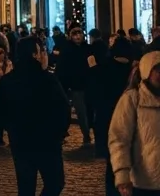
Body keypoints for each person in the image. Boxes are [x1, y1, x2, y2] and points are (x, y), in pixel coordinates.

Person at [0, 36, 70, 196]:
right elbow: (63, 108)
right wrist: (60, 132)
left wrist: (11, 128)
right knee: (55, 182)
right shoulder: (47, 80)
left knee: (26, 186)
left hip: (20, 140)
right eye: (42, 51)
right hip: (47, 140)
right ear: (34, 55)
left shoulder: (8, 81)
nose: (45, 55)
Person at [109, 49, 160, 196]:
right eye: (157, 70)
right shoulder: (132, 99)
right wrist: (122, 175)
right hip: (144, 181)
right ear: (146, 71)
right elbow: (119, 139)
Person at [96, 36, 139, 195]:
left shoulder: (104, 67)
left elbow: (97, 95)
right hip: (130, 120)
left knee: (112, 161)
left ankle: (113, 190)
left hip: (108, 118)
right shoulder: (134, 72)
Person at [55, 26, 94, 147]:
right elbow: (61, 69)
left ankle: (88, 132)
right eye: (75, 34)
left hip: (88, 84)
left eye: (79, 33)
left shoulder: (87, 48)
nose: (78, 36)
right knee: (81, 111)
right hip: (74, 86)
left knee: (89, 110)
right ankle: (86, 134)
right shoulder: (67, 49)